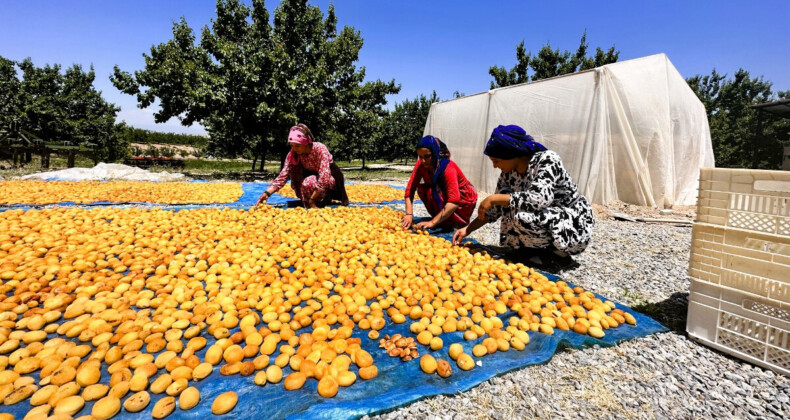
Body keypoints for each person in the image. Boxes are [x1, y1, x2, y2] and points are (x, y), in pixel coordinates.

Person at [452, 125, 594, 258]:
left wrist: (493, 198)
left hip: (570, 222)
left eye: (496, 161)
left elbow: (539, 199)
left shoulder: (547, 160)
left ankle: (555, 254)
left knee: (520, 214)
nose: (495, 166)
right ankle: (528, 251)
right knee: (508, 204)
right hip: (547, 216)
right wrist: (467, 230)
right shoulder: (508, 173)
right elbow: (494, 210)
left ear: (512, 154)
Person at [256, 124, 348, 208]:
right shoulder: (293, 153)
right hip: (312, 182)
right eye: (292, 145)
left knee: (308, 183)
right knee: (305, 182)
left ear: (306, 143)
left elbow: (324, 178)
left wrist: (312, 200)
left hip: (330, 181)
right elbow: (283, 175)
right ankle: (311, 203)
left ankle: (320, 201)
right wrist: (267, 193)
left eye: (297, 146)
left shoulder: (320, 149)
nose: (294, 149)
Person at [402, 135, 478, 230]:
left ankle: (455, 221)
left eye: (427, 156)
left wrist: (432, 222)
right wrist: (409, 214)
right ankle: (442, 219)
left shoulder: (448, 168)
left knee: (439, 194)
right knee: (425, 189)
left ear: (434, 153)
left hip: (463, 198)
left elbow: (454, 201)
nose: (423, 161)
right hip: (445, 195)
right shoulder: (421, 165)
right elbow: (410, 190)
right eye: (420, 157)